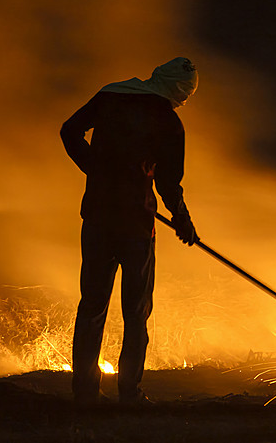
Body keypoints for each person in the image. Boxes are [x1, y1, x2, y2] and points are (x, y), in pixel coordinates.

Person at [61, 57, 200, 405]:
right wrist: (182, 219)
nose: (183, 101)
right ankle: (129, 393)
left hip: (97, 217)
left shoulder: (111, 95)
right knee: (136, 312)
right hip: (136, 225)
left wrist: (95, 170)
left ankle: (84, 393)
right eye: (186, 94)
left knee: (92, 305)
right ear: (178, 89)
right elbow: (168, 182)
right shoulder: (168, 121)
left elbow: (69, 131)